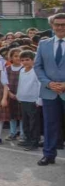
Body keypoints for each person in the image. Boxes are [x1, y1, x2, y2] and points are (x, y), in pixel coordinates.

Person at [32, 13, 65, 166]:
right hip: (49, 91)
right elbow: (38, 67)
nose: (60, 27)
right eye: (57, 24)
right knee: (50, 124)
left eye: (63, 24)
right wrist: (49, 83)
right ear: (52, 25)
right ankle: (49, 154)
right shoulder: (43, 44)